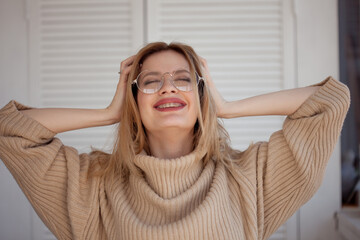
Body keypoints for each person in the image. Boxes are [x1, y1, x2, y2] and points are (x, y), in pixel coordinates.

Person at [0, 42, 350, 240]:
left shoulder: (249, 179)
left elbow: (330, 101)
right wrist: (109, 113)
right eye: (151, 81)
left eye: (183, 79)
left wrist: (225, 108)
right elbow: (9, 128)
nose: (168, 86)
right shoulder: (93, 188)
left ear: (201, 96)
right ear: (133, 100)